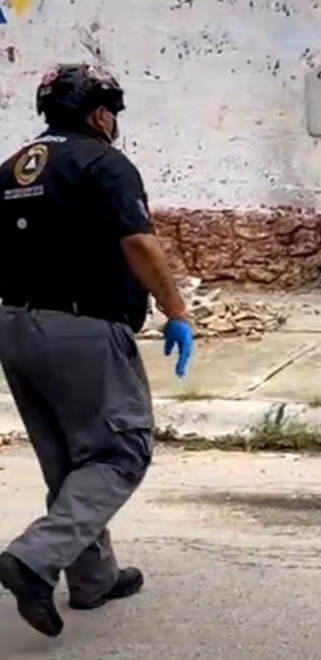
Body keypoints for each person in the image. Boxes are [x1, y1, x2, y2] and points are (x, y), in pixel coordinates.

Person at [0, 63, 193, 638]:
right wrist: (176, 312)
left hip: (14, 325)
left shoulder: (13, 167)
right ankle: (34, 558)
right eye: (111, 110)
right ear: (99, 112)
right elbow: (137, 242)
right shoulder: (103, 163)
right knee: (119, 452)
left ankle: (93, 579)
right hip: (82, 327)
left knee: (68, 461)